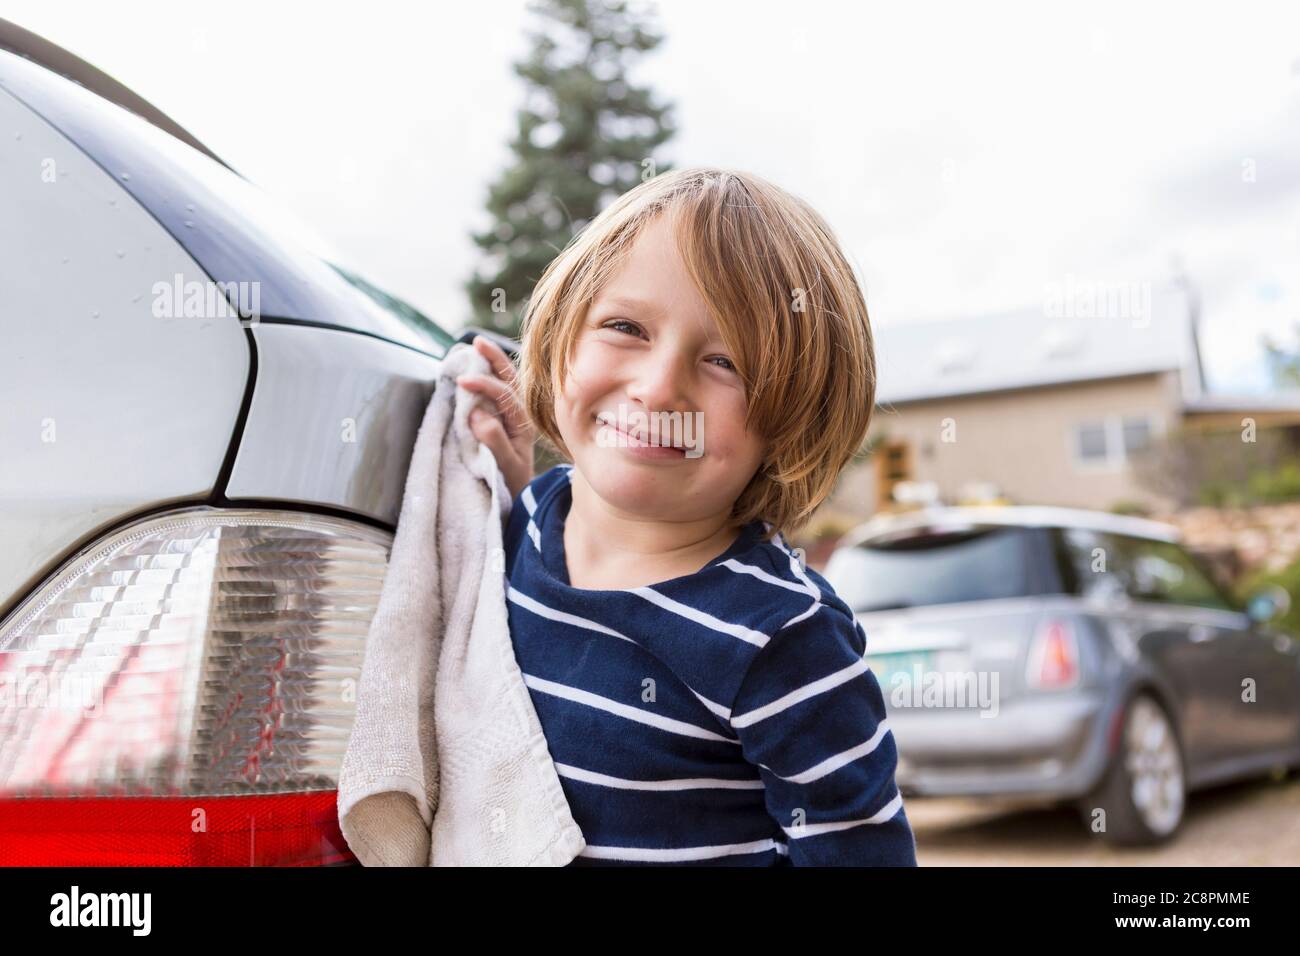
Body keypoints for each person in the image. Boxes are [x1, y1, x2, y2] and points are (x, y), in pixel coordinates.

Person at [455, 167, 917, 866]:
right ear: (561, 340)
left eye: (725, 361)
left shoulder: (784, 641)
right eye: (625, 327)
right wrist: (513, 479)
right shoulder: (526, 527)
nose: (660, 385)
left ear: (791, 420)